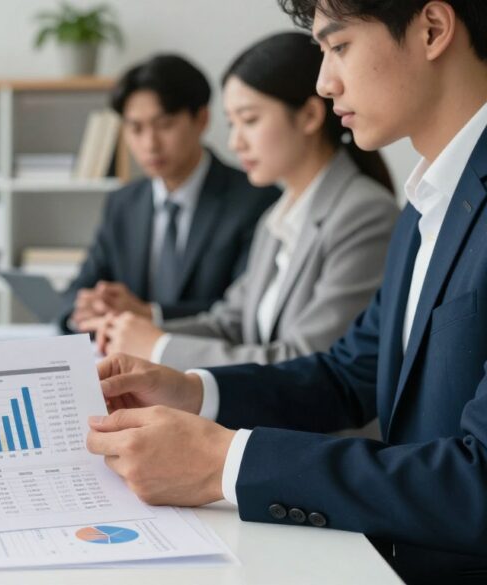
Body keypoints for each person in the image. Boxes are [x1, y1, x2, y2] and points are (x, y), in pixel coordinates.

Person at [85, 1, 487, 581]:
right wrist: (193, 391)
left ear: (431, 30)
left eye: (339, 46)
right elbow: (349, 375)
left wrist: (221, 463)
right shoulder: (426, 205)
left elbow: (477, 479)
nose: (324, 83)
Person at [95, 32, 399, 371]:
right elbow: (231, 323)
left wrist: (159, 346)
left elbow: (311, 362)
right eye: (232, 123)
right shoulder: (277, 218)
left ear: (310, 116)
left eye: (250, 120)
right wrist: (140, 334)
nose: (235, 142)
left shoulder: (364, 214)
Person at [63, 55, 280, 333]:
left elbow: (248, 309)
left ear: (201, 119)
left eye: (164, 125)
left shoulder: (256, 200)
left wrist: (150, 315)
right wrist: (85, 310)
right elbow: (79, 289)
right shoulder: (123, 202)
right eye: (136, 128)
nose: (149, 144)